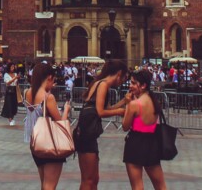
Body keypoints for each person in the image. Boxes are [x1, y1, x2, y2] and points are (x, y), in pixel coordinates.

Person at [78, 59, 129, 190]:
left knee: (93, 178)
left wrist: (124, 101)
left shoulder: (99, 83)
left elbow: (107, 108)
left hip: (86, 132)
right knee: (89, 179)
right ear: (119, 73)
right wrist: (121, 112)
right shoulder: (103, 85)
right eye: (124, 77)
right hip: (87, 134)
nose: (123, 81)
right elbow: (100, 112)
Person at [24, 62, 70, 190]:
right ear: (49, 77)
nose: (53, 83)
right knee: (50, 186)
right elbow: (60, 123)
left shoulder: (28, 92)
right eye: (53, 80)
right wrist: (66, 110)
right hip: (50, 146)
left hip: (36, 144)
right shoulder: (48, 97)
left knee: (44, 184)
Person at [121, 69, 168, 190]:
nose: (130, 86)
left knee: (137, 185)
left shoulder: (134, 104)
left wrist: (128, 104)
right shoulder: (154, 101)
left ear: (143, 85)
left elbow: (125, 126)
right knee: (160, 185)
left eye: (133, 83)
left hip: (135, 142)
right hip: (152, 142)